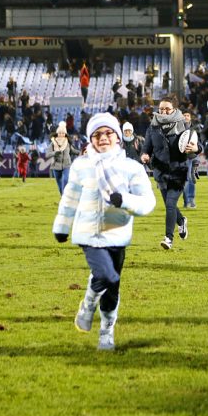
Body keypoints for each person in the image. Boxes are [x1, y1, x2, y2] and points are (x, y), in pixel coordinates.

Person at [53, 112, 156, 351]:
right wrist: (61, 226)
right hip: (88, 233)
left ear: (118, 137)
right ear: (90, 139)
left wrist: (125, 200)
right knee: (107, 275)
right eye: (97, 135)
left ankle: (106, 333)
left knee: (113, 287)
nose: (103, 138)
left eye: (108, 133)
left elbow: (148, 202)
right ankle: (88, 305)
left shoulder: (131, 167)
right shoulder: (81, 165)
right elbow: (70, 198)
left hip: (118, 234)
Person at [141, 95, 198, 250]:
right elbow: (146, 146)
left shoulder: (183, 125)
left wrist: (195, 149)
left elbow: (196, 147)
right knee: (169, 204)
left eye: (167, 108)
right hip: (160, 171)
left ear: (174, 109)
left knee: (171, 204)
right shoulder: (153, 126)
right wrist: (144, 155)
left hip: (178, 170)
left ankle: (168, 238)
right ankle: (182, 221)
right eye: (161, 109)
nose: (164, 111)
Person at [47, 126, 77, 194]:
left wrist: (81, 152)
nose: (61, 134)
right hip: (56, 167)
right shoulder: (53, 143)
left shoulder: (67, 143)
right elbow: (48, 154)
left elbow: (73, 151)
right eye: (59, 133)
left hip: (67, 165)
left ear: (65, 134)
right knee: (60, 186)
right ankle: (63, 197)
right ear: (57, 133)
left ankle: (66, 196)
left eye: (63, 133)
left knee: (65, 180)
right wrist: (55, 153)